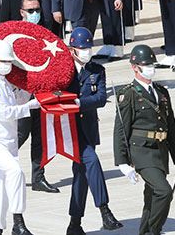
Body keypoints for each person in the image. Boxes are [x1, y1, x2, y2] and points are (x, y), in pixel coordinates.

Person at [0, 39, 40, 235]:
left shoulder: (7, 83)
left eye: (9, 61)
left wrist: (34, 88)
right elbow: (6, 113)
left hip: (9, 142)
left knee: (1, 185)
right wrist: (32, 105)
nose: (6, 65)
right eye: (2, 61)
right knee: (15, 172)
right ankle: (18, 221)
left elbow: (18, 99)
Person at [64, 27, 123, 234]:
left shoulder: (97, 70)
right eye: (82, 48)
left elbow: (100, 99)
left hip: (88, 127)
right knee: (92, 160)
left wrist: (78, 102)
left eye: (89, 47)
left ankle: (74, 224)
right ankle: (105, 211)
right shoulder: (63, 69)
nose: (86, 51)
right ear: (72, 49)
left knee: (81, 175)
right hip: (69, 129)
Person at [113, 44, 175, 235]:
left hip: (160, 151)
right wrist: (122, 162)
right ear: (135, 67)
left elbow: (171, 128)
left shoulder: (161, 92)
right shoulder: (129, 93)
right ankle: (154, 231)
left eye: (152, 64)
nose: (151, 68)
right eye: (146, 65)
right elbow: (121, 129)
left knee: (151, 196)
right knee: (163, 192)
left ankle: (145, 231)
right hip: (141, 151)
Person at [14, 0, 58, 194]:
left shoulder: (45, 33)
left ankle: (38, 177)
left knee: (40, 137)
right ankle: (5, 169)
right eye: (30, 11)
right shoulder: (15, 34)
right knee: (20, 134)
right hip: (23, 93)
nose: (35, 14)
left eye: (37, 10)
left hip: (42, 93)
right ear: (22, 12)